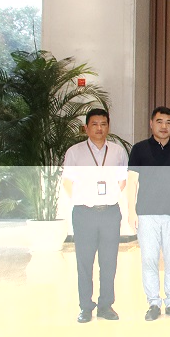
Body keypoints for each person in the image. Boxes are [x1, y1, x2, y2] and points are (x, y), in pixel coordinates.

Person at [63, 108, 129, 323]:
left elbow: (123, 180)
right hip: (84, 213)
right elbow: (67, 182)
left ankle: (106, 305)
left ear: (108, 126)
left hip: (110, 212)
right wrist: (82, 199)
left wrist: (110, 196)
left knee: (109, 262)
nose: (99, 128)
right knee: (84, 262)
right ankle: (85, 307)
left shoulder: (117, 151)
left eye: (103, 124)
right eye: (94, 124)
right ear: (86, 128)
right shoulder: (74, 152)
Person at [127, 106, 170, 321]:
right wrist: (131, 211)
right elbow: (132, 182)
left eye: (168, 122)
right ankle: (153, 302)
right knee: (149, 260)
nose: (164, 126)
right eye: (160, 121)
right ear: (151, 123)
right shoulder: (139, 149)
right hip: (147, 214)